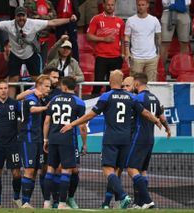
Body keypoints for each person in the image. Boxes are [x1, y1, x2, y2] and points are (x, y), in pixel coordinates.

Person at [60, 70, 162, 209]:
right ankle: (115, 202)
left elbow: (90, 115)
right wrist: (156, 120)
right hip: (126, 140)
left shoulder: (106, 96)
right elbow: (145, 112)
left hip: (111, 138)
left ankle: (122, 196)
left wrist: (72, 124)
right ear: (121, 82)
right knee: (118, 171)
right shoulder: (131, 97)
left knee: (108, 170)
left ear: (109, 81)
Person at [0, 6, 77, 97]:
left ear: (26, 16)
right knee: (13, 80)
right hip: (15, 55)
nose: (21, 18)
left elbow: (53, 22)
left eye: (23, 16)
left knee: (37, 79)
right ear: (15, 17)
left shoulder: (33, 23)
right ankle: (11, 103)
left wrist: (69, 19)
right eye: (18, 16)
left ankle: (41, 98)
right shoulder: (9, 24)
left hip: (31, 54)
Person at [126, 73, 171, 209]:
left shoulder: (138, 98)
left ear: (137, 83)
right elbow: (162, 116)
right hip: (150, 138)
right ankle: (139, 203)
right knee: (142, 170)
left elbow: (146, 113)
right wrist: (167, 129)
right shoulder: (154, 98)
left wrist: (156, 121)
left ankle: (147, 200)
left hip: (139, 136)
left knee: (131, 168)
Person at [42, 76, 86, 209]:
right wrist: (84, 143)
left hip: (53, 138)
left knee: (50, 170)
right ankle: (62, 203)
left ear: (64, 87)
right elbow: (82, 126)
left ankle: (46, 203)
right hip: (68, 139)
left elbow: (47, 121)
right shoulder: (79, 102)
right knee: (66, 171)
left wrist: (45, 139)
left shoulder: (53, 100)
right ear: (74, 87)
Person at [101, 75, 135, 209]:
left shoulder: (132, 101)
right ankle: (108, 202)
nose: (125, 88)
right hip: (125, 140)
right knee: (116, 172)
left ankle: (119, 199)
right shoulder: (133, 100)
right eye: (124, 85)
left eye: (128, 86)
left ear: (135, 86)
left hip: (120, 140)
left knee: (113, 171)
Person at [19, 74, 51, 208]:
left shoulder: (39, 98)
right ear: (39, 86)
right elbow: (32, 110)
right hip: (28, 138)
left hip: (38, 139)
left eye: (50, 86)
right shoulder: (31, 98)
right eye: (47, 86)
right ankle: (25, 202)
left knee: (37, 170)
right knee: (29, 170)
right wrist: (45, 108)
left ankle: (28, 202)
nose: (49, 89)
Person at [0, 80, 22, 209]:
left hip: (13, 144)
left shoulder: (15, 104)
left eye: (5, 88)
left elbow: (25, 118)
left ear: (8, 89)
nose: (3, 90)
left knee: (16, 173)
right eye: (1, 88)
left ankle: (16, 198)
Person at [86, 0, 125, 95]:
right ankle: (93, 104)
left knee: (113, 85)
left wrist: (123, 54)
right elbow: (89, 36)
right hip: (101, 57)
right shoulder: (96, 19)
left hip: (116, 57)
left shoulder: (120, 21)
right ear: (103, 5)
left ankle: (110, 105)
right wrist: (104, 39)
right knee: (98, 83)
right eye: (108, 5)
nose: (110, 7)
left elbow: (123, 40)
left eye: (112, 5)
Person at [125, 0, 162, 81]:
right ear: (136, 5)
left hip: (152, 58)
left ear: (147, 5)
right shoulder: (130, 20)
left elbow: (158, 37)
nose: (141, 7)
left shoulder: (154, 20)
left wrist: (158, 54)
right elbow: (127, 37)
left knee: (152, 85)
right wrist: (127, 52)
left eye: (143, 5)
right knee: (135, 84)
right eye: (139, 5)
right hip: (136, 57)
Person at [160, 0, 191, 69]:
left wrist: (177, 5)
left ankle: (184, 70)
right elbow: (165, 2)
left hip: (183, 11)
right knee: (165, 42)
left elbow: (188, 2)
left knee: (184, 42)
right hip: (168, 11)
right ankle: (161, 69)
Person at [24, 0, 57, 65]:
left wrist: (40, 16)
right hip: (32, 37)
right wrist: (45, 17)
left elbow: (53, 17)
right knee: (32, 62)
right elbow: (27, 18)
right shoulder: (28, 3)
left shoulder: (48, 3)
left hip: (45, 36)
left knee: (43, 61)